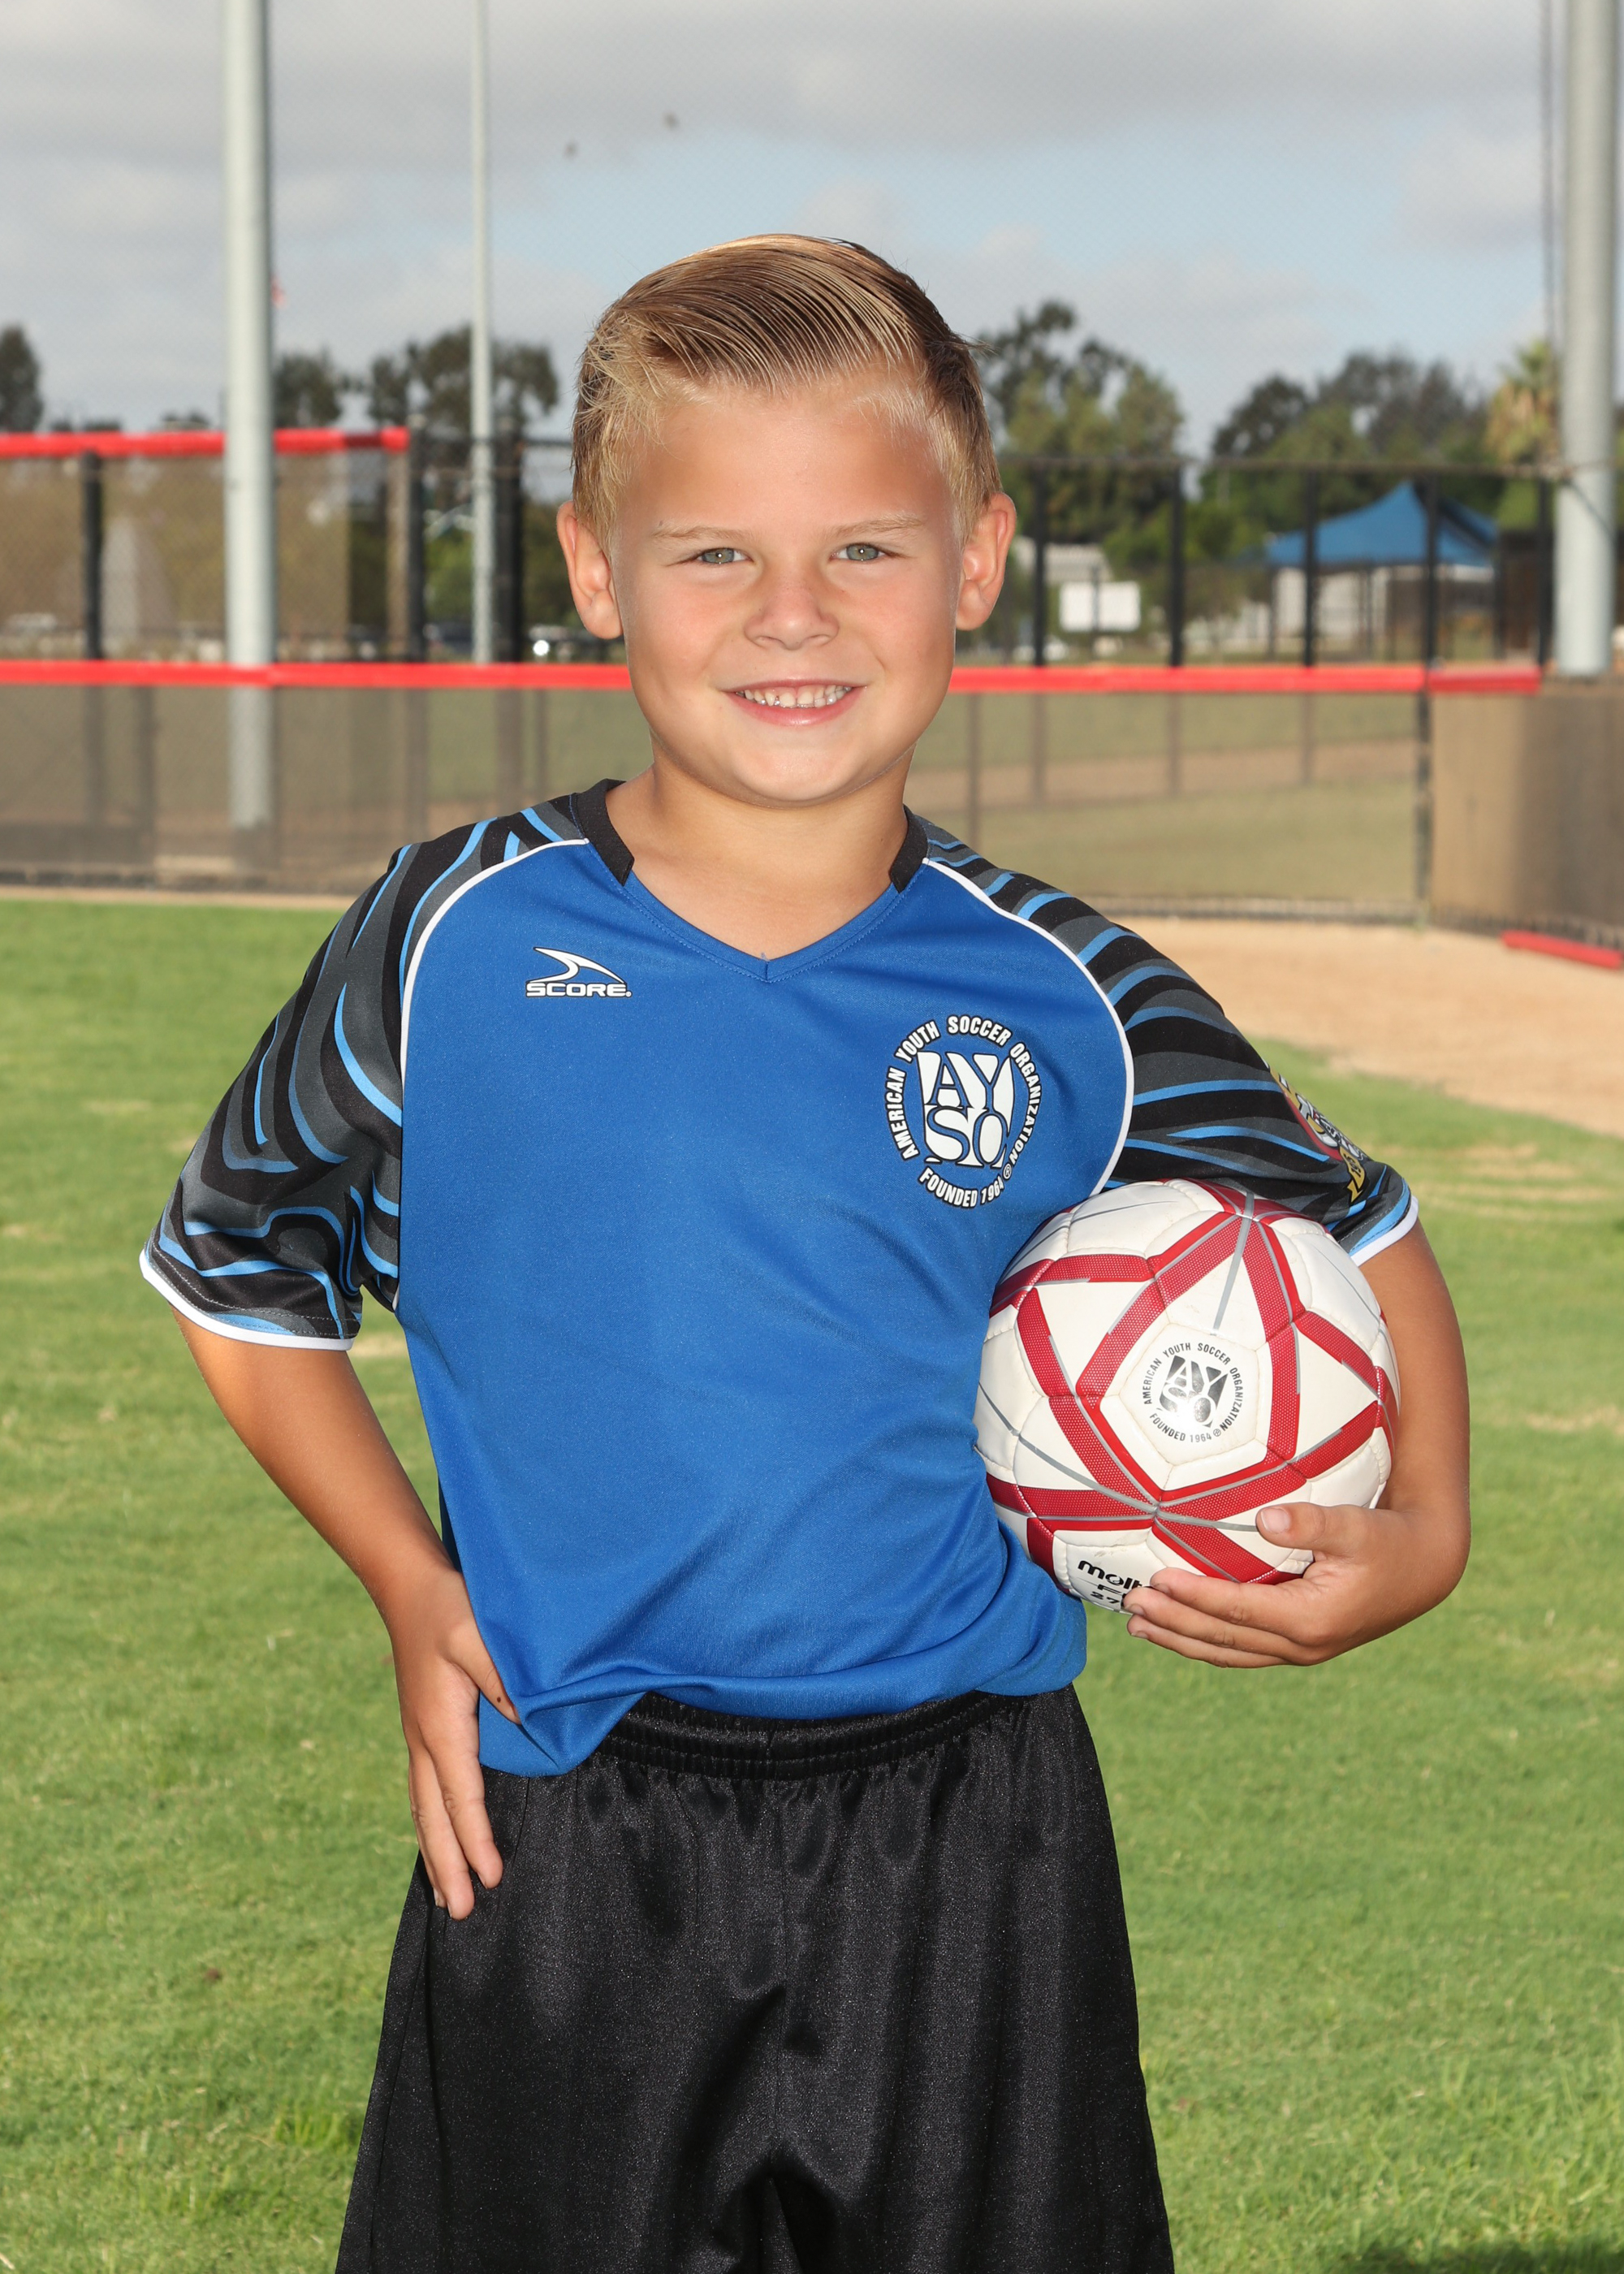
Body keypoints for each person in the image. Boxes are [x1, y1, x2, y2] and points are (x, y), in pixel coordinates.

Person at [141, 236, 1470, 2274]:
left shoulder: (1072, 991)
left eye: (862, 547)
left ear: (975, 560)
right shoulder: (451, 934)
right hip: (569, 1821)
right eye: (715, 555)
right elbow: (244, 1277)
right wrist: (410, 1580)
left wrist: (1427, 1531)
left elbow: (1361, 1225)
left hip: (973, 1840)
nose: (792, 613)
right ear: (595, 569)